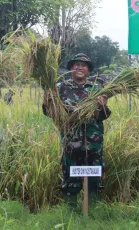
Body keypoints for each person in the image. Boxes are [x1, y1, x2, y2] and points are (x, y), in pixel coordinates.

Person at [44, 53, 110, 209]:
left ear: (88, 70)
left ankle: (93, 213)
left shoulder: (97, 88)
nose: (80, 67)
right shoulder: (60, 88)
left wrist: (102, 106)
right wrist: (47, 101)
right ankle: (70, 213)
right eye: (76, 65)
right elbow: (49, 113)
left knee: (94, 179)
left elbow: (104, 116)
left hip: (94, 144)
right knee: (70, 179)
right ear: (71, 68)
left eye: (84, 65)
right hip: (71, 143)